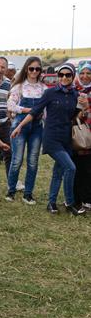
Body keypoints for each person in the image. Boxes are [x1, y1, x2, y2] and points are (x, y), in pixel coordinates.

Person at [11, 63, 86, 216]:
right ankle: (70, 203)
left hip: (66, 138)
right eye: (61, 75)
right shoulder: (50, 93)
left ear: (72, 77)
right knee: (70, 168)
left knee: (58, 172)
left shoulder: (75, 95)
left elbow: (75, 117)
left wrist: (83, 108)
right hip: (52, 138)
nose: (64, 77)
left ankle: (51, 203)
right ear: (58, 76)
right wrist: (19, 126)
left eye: (68, 75)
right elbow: (34, 112)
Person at [5, 57, 48, 204]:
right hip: (20, 126)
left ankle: (28, 194)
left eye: (37, 69)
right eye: (31, 68)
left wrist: (43, 116)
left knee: (33, 161)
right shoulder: (19, 87)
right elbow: (10, 105)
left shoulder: (44, 88)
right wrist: (27, 109)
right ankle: (11, 190)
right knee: (16, 160)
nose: (34, 72)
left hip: (37, 127)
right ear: (26, 69)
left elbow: (47, 110)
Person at [73, 62, 91, 210]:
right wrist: (83, 110)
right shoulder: (75, 90)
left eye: (88, 73)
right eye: (82, 73)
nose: (85, 76)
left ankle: (88, 198)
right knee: (79, 167)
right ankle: (78, 198)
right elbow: (74, 116)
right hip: (80, 135)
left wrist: (87, 108)